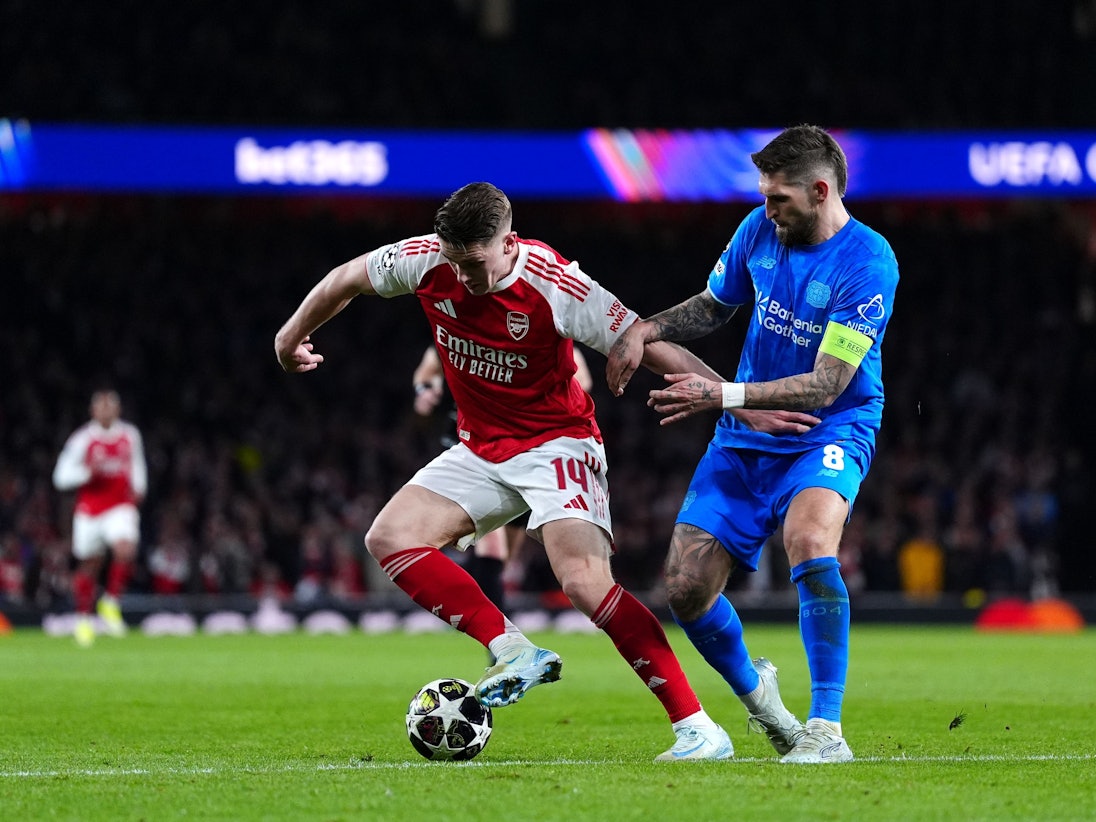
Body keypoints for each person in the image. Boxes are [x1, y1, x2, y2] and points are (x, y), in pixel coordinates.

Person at [276, 181, 742, 761]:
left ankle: (698, 727)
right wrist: (290, 335)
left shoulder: (556, 283)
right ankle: (511, 647)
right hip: (481, 447)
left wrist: (732, 397)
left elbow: (644, 340)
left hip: (557, 443)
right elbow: (345, 278)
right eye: (456, 261)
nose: (465, 277)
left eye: (476, 263)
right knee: (390, 536)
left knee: (584, 583)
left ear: (507, 242)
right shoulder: (425, 260)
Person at [607, 124, 900, 764]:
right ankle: (765, 706)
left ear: (820, 191)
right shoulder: (758, 231)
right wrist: (645, 327)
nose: (767, 211)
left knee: (810, 540)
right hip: (745, 433)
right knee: (684, 588)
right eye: (764, 197)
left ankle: (827, 730)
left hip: (831, 426)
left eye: (779, 200)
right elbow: (714, 307)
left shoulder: (868, 262)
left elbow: (828, 383)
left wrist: (722, 395)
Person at [411, 343, 593, 613]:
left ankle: (470, 603)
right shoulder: (458, 337)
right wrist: (425, 390)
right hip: (473, 453)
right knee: (492, 549)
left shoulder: (549, 345)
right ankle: (501, 642)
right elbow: (427, 370)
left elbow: (582, 382)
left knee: (502, 560)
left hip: (525, 458)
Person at [52, 388, 148, 647]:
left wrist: (139, 487)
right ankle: (83, 618)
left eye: (110, 407)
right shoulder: (82, 439)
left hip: (120, 506)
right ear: (93, 411)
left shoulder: (130, 435)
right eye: (101, 407)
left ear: (118, 410)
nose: (106, 411)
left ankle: (110, 602)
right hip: (90, 511)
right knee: (89, 566)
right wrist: (85, 473)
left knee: (125, 549)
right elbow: (60, 477)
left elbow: (136, 465)